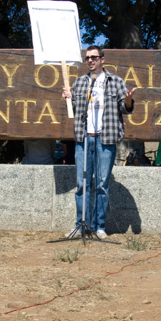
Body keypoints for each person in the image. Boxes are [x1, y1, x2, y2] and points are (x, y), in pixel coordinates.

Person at [61, 45, 136, 238]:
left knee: (102, 184)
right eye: (87, 58)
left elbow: (125, 108)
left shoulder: (116, 82)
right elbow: (76, 108)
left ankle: (99, 226)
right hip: (84, 138)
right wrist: (68, 98)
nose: (90, 61)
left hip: (106, 138)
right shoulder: (80, 83)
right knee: (81, 184)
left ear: (103, 59)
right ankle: (81, 225)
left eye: (94, 57)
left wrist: (128, 101)